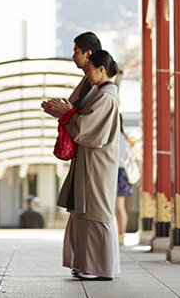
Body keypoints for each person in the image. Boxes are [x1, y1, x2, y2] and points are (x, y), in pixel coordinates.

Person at [49, 50, 121, 281]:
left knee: (96, 212)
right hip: (90, 162)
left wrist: (67, 113)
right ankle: (86, 264)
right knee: (83, 211)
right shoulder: (100, 93)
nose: (86, 74)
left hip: (98, 165)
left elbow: (87, 129)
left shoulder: (107, 97)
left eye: (89, 69)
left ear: (101, 69)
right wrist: (67, 113)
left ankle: (100, 268)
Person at [41, 32, 102, 117]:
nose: (73, 57)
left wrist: (67, 111)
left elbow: (86, 119)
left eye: (76, 52)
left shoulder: (95, 83)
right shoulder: (87, 80)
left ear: (88, 54)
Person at [116, 117, 132, 245]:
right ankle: (121, 235)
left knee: (117, 207)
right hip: (121, 172)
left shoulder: (116, 136)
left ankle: (120, 235)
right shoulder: (123, 137)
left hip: (116, 171)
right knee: (120, 207)